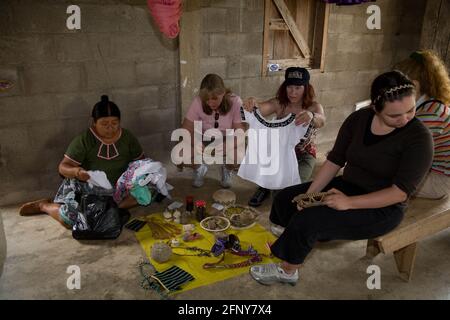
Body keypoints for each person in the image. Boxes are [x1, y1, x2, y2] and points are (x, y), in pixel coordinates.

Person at [249, 71, 433, 286]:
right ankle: (291, 239)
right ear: (375, 106)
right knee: (286, 198)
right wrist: (307, 196)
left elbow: (399, 192)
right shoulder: (359, 119)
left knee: (309, 221)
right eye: (394, 115)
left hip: (383, 207)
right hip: (348, 185)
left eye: (410, 110)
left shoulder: (419, 138)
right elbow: (335, 161)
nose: (405, 119)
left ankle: (288, 270)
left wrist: (348, 203)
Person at [19, 95, 145, 228]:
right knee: (72, 221)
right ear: (94, 123)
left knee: (148, 191)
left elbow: (141, 161)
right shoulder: (84, 140)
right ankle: (44, 205)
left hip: (119, 186)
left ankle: (109, 208)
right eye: (104, 124)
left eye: (114, 123)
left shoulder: (127, 137)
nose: (110, 128)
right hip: (89, 189)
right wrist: (77, 172)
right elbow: (63, 167)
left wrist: (143, 175)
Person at [242, 67, 325, 207]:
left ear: (306, 88)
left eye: (298, 87)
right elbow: (260, 108)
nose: (293, 92)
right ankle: (264, 186)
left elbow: (322, 120)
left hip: (303, 156)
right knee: (276, 190)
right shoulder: (279, 104)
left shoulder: (313, 107)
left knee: (291, 192)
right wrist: (251, 104)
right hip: (278, 154)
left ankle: (270, 185)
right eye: (289, 87)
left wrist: (312, 116)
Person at [394, 50, 450, 199]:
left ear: (414, 85)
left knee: (376, 179)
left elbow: (405, 152)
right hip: (433, 174)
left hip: (440, 181)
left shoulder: (430, 114)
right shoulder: (429, 105)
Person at [180, 74, 245, 188]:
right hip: (204, 137)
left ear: (223, 92)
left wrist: (228, 145)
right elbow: (186, 128)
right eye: (206, 99)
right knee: (180, 154)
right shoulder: (198, 101)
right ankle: (200, 168)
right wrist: (197, 143)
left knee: (239, 156)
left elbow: (240, 132)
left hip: (226, 138)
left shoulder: (235, 101)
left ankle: (227, 168)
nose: (210, 103)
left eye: (214, 98)